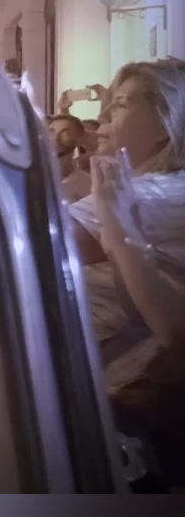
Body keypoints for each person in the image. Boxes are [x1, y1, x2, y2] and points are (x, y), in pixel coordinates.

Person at [67, 59, 185, 480]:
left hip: (111, 406)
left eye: (120, 104)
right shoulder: (137, 187)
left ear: (165, 124)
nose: (102, 116)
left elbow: (38, 239)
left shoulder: (165, 191)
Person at [48, 113, 91, 201]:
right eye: (51, 132)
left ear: (79, 140)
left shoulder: (89, 185)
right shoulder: (28, 178)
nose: (55, 138)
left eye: (65, 133)